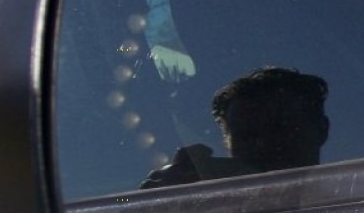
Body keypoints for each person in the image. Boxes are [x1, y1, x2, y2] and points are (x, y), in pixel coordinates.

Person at [141, 67, 329, 188]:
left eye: (279, 129)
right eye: (246, 136)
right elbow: (120, 200)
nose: (262, 144)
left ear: (321, 130)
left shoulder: (354, 212)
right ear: (228, 143)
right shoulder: (211, 212)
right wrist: (157, 205)